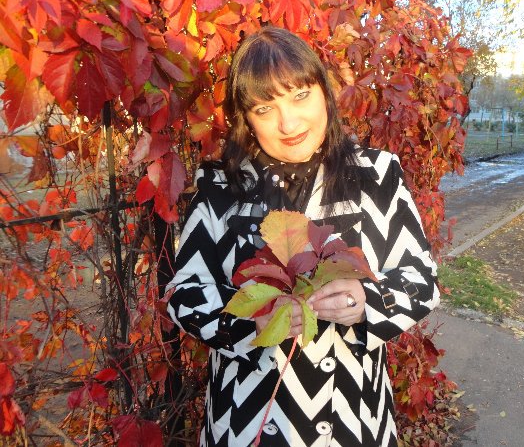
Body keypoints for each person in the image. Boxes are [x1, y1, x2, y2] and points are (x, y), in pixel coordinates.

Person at [166, 26, 440, 447]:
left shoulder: (376, 176)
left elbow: (421, 280)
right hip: (244, 420)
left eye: (300, 95)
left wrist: (366, 300)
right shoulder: (221, 186)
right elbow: (184, 292)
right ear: (245, 119)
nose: (288, 123)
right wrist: (247, 322)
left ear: (324, 93)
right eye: (264, 108)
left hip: (351, 419)